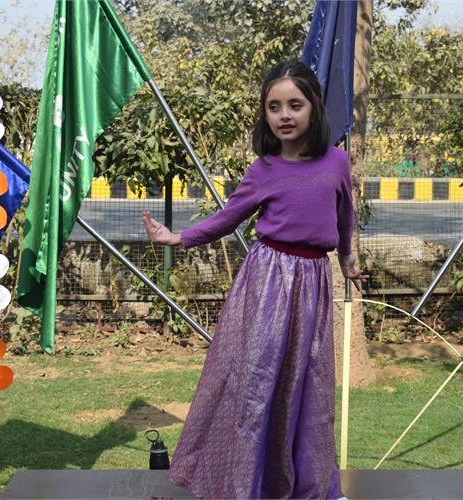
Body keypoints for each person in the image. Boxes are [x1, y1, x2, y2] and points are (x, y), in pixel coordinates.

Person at [142, 60, 367, 499]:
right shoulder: (264, 169)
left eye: (295, 105)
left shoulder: (336, 162)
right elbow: (228, 218)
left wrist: (347, 262)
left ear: (314, 108)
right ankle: (248, 485)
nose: (284, 115)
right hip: (268, 283)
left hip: (314, 283)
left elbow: (344, 218)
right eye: (274, 107)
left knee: (311, 388)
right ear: (265, 115)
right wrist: (177, 237)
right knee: (257, 386)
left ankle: (314, 487)